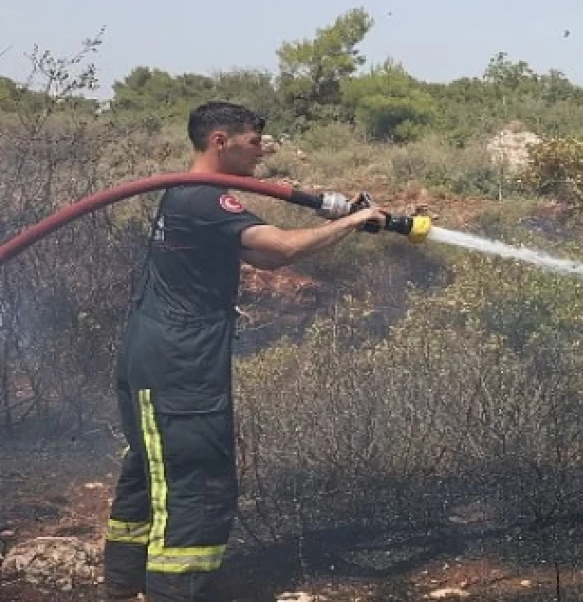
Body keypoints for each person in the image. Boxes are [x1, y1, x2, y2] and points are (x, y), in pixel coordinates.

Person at [101, 101, 385, 601]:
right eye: (253, 142)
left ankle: (123, 587)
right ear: (219, 141)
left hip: (162, 356)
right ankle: (177, 592)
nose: (261, 152)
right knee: (196, 484)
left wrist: (347, 222)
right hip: (179, 367)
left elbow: (259, 257)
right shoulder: (205, 200)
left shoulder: (189, 195)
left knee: (151, 471)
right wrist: (353, 221)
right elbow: (278, 247)